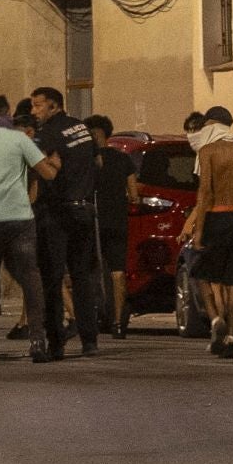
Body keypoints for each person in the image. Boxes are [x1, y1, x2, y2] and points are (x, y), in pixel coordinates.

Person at [0, 96, 60, 362]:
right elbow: (47, 173)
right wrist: (54, 162)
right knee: (31, 279)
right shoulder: (21, 140)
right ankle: (37, 342)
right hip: (19, 217)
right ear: (7, 113)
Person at [180, 106, 233, 359]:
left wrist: (199, 229)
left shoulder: (207, 152)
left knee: (202, 273)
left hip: (216, 216)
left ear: (210, 126)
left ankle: (216, 320)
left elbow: (205, 193)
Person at [29, 86, 104, 356]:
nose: (33, 111)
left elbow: (41, 168)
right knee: (82, 277)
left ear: (53, 105)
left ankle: (56, 342)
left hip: (57, 212)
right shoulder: (80, 127)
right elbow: (98, 163)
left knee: (52, 278)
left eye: (38, 105)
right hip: (84, 209)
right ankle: (89, 340)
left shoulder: (47, 133)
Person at [86, 115, 138, 340]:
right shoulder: (123, 159)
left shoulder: (87, 161)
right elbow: (134, 195)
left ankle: (93, 318)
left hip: (92, 221)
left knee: (89, 271)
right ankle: (118, 322)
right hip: (117, 221)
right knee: (118, 271)